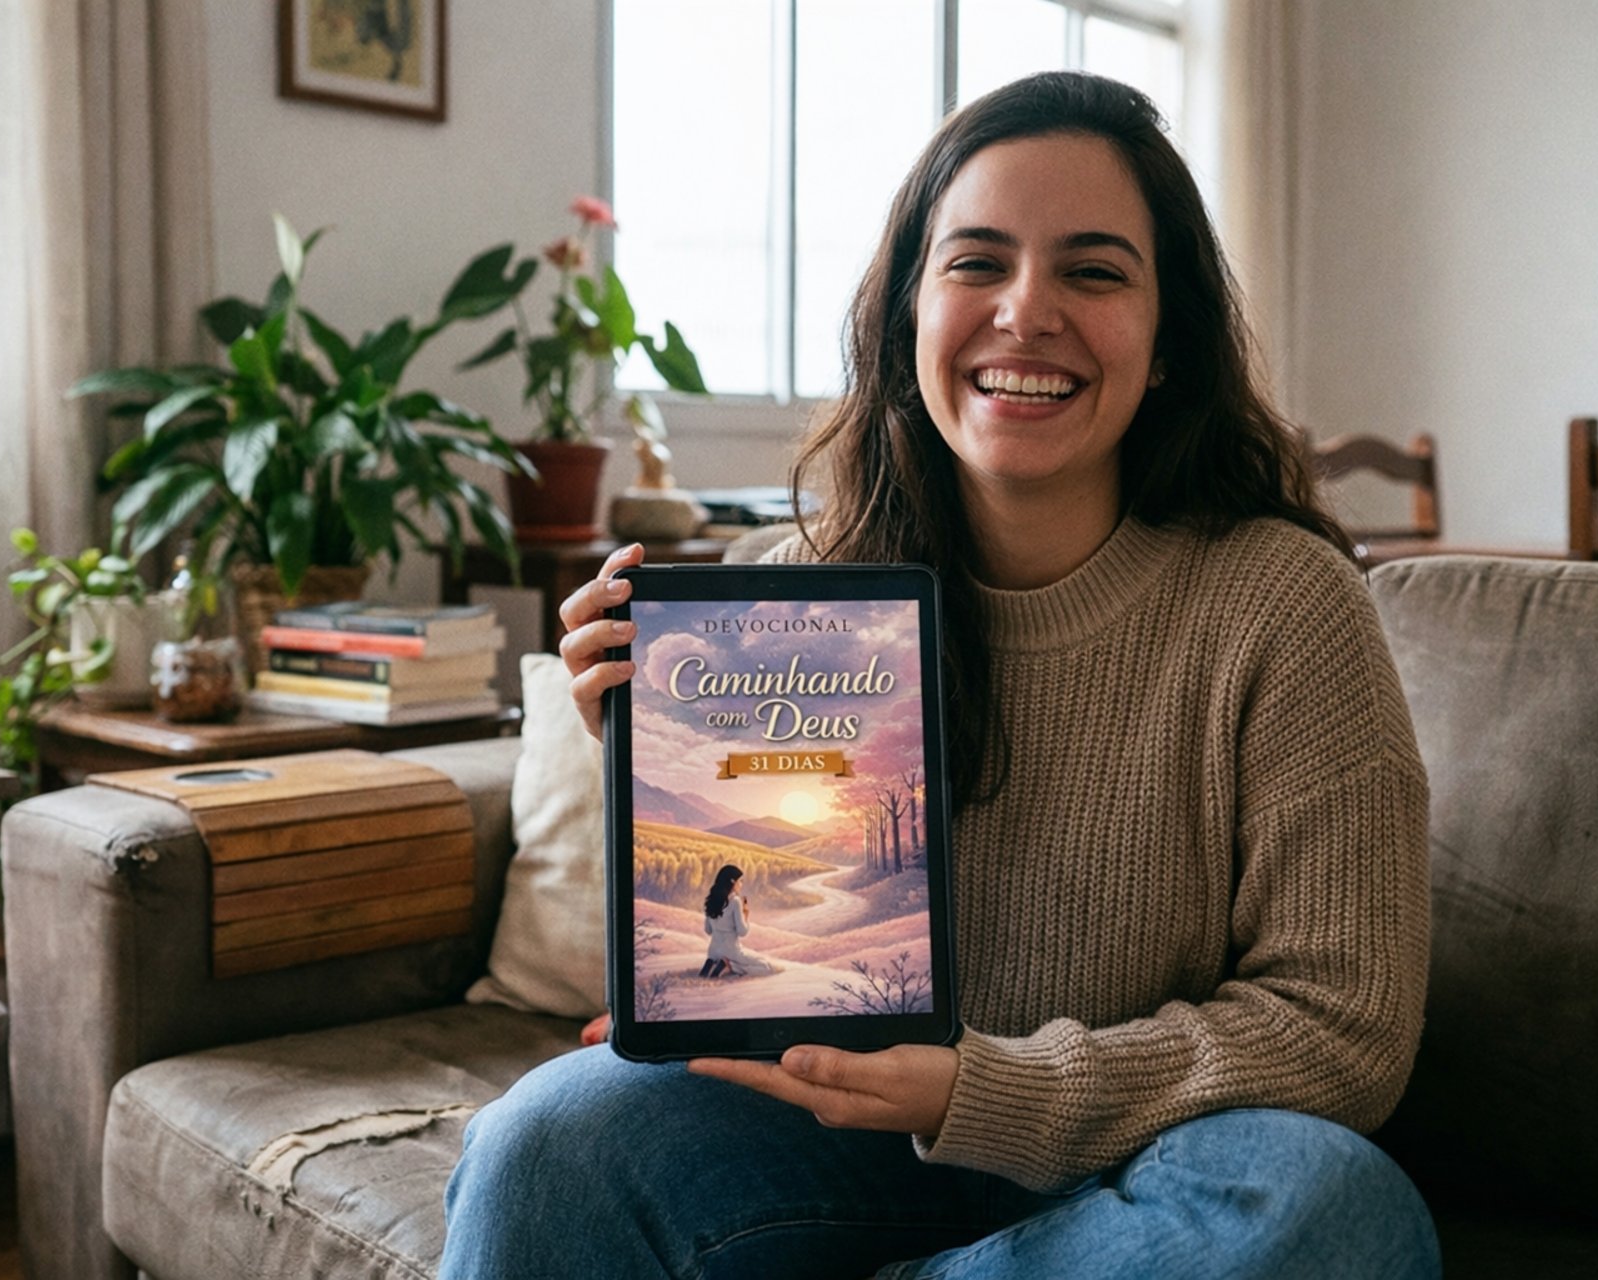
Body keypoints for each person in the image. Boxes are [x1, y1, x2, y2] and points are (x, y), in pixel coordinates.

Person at [439, 71, 1437, 1279]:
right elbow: (744, 960)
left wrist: (987, 1085)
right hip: (835, 1140)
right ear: (909, 313)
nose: (1027, 312)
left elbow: (1344, 1032)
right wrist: (652, 753)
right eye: (977, 263)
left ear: (1168, 339)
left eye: (1094, 269)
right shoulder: (788, 591)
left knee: (1332, 1209)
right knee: (539, 1141)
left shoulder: (1282, 603)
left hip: (1141, 1163)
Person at [698, 864, 750, 978]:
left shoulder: (711, 900)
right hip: (731, 951)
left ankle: (712, 963)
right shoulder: (735, 901)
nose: (741, 885)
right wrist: (745, 914)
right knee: (765, 967)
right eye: (740, 881)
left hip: (712, 952)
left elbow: (708, 930)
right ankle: (728, 965)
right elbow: (742, 932)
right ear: (732, 882)